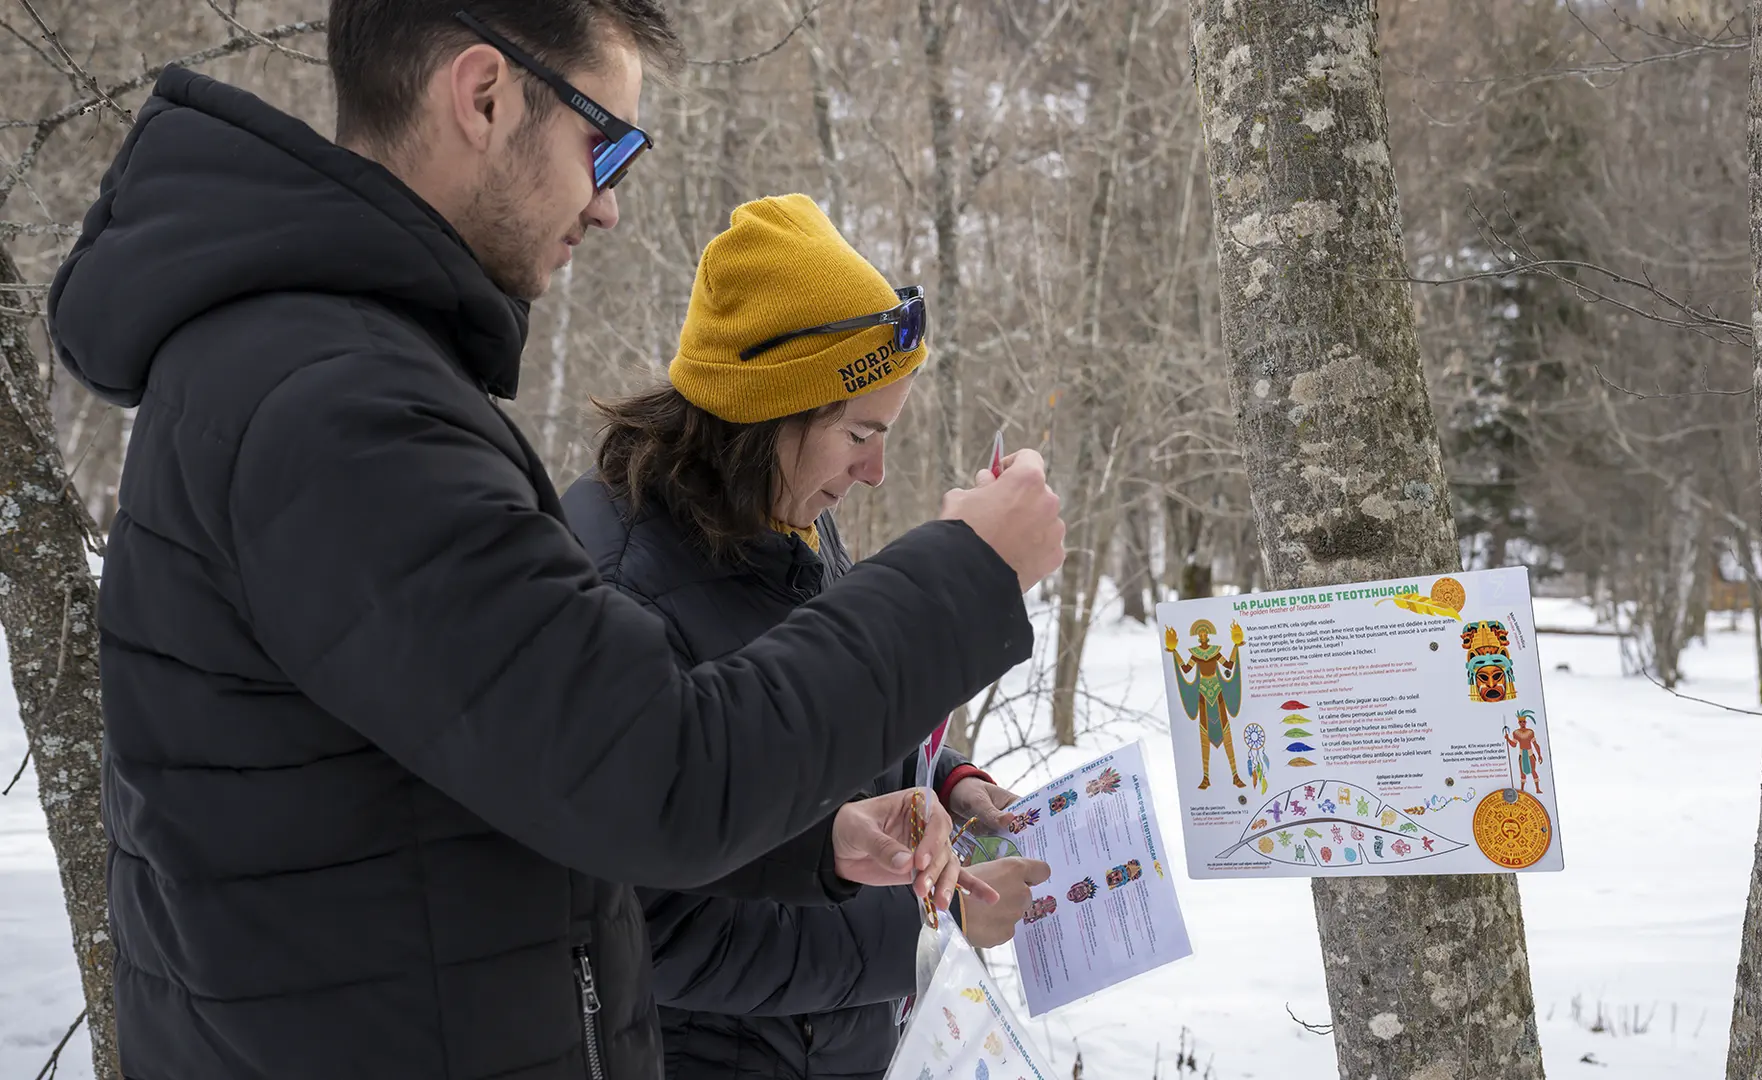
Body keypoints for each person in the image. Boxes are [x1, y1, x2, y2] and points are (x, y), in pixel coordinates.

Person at [43, 1, 1065, 1077]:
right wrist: (968, 572)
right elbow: (658, 774)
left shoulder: (326, 371)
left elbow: (524, 777)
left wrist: (821, 842)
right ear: (483, 95)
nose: (610, 203)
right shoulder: (341, 411)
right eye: (604, 142)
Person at [563, 193, 1052, 1080]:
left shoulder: (782, 513)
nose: (875, 473)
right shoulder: (622, 587)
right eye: (860, 434)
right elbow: (650, 927)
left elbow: (824, 714)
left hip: (834, 1047)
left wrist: (946, 780)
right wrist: (918, 927)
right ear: (765, 413)